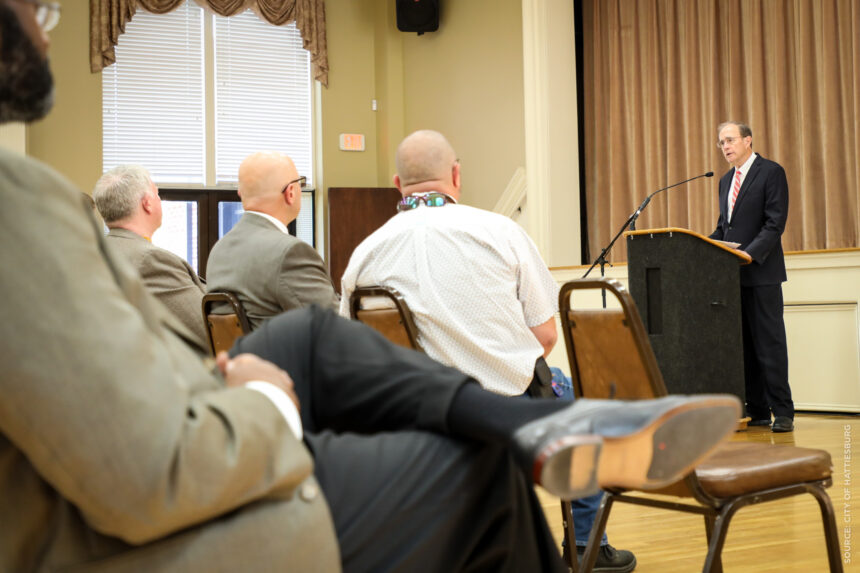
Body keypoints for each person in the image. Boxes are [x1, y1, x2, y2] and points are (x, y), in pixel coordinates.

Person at [0, 3, 741, 571]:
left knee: (317, 334)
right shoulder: (14, 203)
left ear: (396, 185)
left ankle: (523, 425)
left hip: (199, 404)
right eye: (38, 9)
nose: (44, 24)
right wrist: (265, 397)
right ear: (455, 178)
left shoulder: (348, 250)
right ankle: (524, 427)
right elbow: (146, 467)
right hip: (159, 514)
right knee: (479, 462)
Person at [339, 130, 634, 571]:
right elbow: (546, 336)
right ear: (456, 175)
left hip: (411, 414)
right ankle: (587, 544)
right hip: (506, 406)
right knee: (577, 402)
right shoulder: (500, 231)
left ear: (397, 185)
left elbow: (355, 347)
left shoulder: (365, 253)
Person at [710, 121, 794, 433]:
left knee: (769, 344)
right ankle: (757, 410)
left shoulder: (771, 172)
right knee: (744, 344)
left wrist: (751, 253)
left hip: (762, 271)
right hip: (734, 275)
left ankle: (783, 411)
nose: (725, 147)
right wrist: (703, 244)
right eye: (721, 142)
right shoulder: (725, 180)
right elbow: (724, 228)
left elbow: (775, 222)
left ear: (748, 140)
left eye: (730, 140)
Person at [206, 151, 338, 329]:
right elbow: (335, 327)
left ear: (240, 193)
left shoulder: (219, 251)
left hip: (241, 355)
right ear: (290, 192)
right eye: (300, 183)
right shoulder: (290, 253)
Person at [93, 165, 209, 351]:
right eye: (157, 194)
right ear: (147, 203)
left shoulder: (97, 250)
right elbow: (208, 331)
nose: (159, 200)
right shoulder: (151, 260)